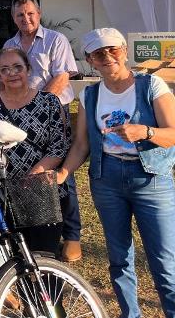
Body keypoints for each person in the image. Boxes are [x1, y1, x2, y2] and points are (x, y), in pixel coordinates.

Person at [57, 28, 175, 318]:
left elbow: (172, 134)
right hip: (106, 179)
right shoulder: (90, 94)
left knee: (164, 262)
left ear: (124, 50)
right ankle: (129, 314)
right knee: (120, 259)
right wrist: (61, 173)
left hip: (150, 178)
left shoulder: (152, 85)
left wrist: (144, 131)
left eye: (113, 50)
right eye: (99, 53)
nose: (107, 57)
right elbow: (82, 144)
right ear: (90, 60)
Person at [4, 0, 81, 262]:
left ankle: (72, 235)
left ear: (38, 13)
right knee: (29, 170)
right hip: (20, 117)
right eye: (20, 15)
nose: (26, 19)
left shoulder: (55, 40)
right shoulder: (10, 44)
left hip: (52, 111)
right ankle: (34, 227)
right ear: (13, 17)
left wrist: (37, 104)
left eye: (30, 13)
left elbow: (61, 77)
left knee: (61, 171)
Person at [0, 48, 69, 255]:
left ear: (28, 69)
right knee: (17, 260)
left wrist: (32, 176)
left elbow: (60, 145)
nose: (12, 73)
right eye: (5, 69)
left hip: (43, 190)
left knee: (45, 256)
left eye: (18, 67)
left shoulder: (49, 102)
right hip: (6, 194)